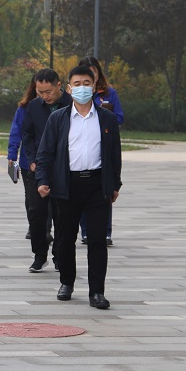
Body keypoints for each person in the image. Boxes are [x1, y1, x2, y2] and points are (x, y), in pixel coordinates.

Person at [36, 65, 122, 310]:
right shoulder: (58, 119)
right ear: (69, 88)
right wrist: (43, 180)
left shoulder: (106, 119)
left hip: (97, 185)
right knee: (65, 238)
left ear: (94, 87)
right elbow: (45, 153)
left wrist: (115, 184)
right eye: (77, 84)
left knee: (97, 240)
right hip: (67, 185)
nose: (82, 88)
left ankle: (97, 291)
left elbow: (114, 155)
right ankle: (67, 282)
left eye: (87, 83)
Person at [20, 68, 72, 273]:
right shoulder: (34, 106)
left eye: (48, 91)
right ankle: (39, 255)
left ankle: (60, 255)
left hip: (64, 169)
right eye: (40, 92)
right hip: (39, 168)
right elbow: (27, 135)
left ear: (59, 85)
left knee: (62, 215)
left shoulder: (72, 104)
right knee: (36, 213)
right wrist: (31, 160)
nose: (44, 96)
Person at [77, 56, 123, 246]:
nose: (91, 76)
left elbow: (119, 117)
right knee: (80, 194)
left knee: (104, 193)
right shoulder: (74, 94)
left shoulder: (109, 92)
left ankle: (105, 232)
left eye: (93, 72)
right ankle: (86, 232)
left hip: (103, 143)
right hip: (80, 149)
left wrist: (105, 113)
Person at [7, 75, 38, 238]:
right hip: (28, 160)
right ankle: (33, 226)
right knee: (31, 196)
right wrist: (12, 154)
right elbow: (16, 131)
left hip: (51, 161)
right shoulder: (24, 108)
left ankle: (45, 227)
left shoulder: (59, 107)